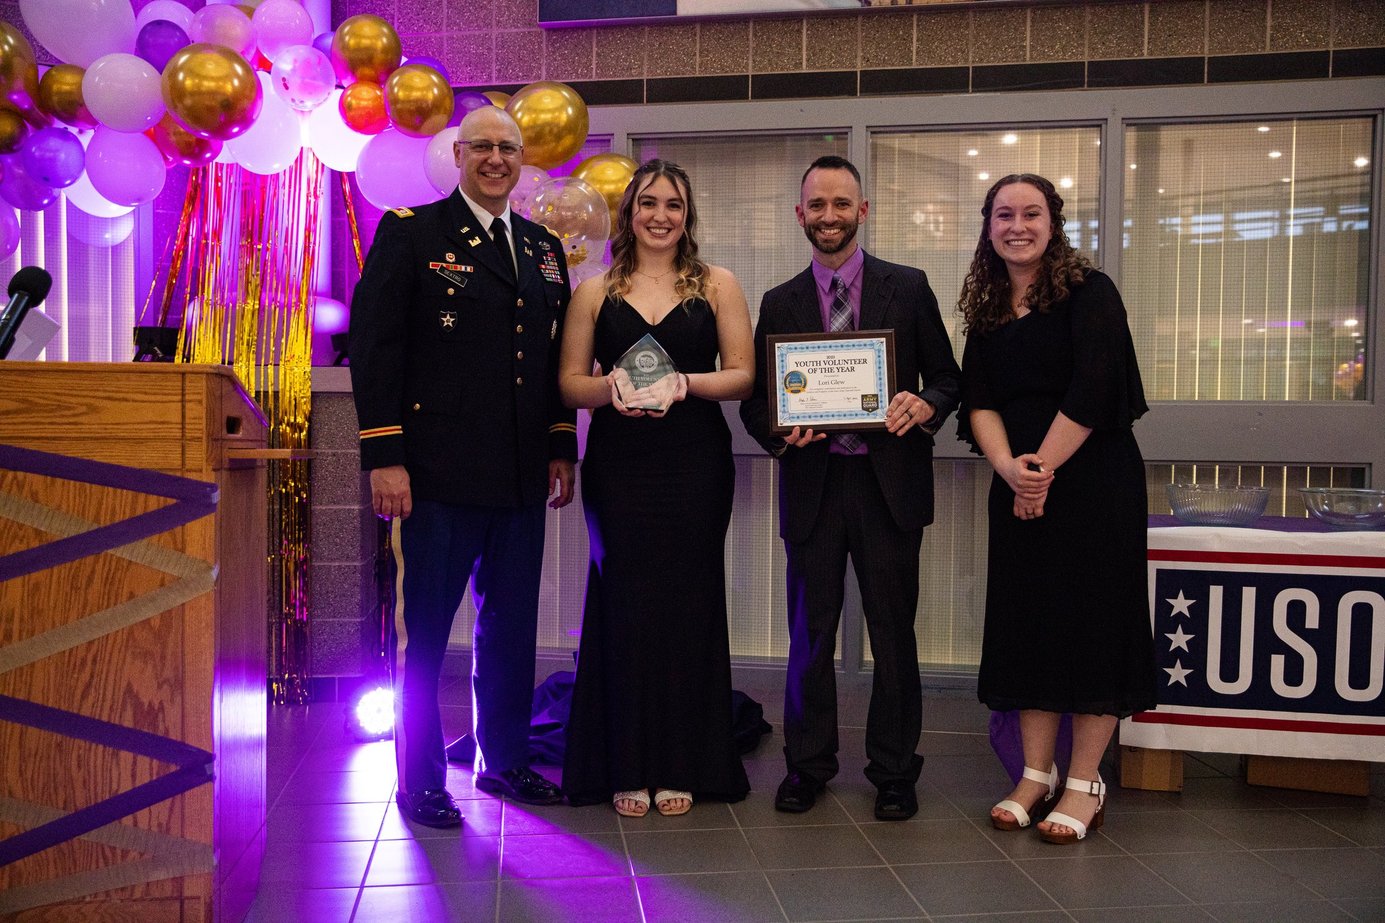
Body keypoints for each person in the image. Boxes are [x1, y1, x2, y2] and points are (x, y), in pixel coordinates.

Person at [348, 106, 576, 829]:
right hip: (434, 476)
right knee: (426, 633)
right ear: (457, 153)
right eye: (482, 146)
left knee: (509, 627)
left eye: (507, 147)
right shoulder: (412, 231)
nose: (495, 158)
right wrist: (385, 456)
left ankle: (502, 760)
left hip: (515, 475)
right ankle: (417, 779)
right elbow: (374, 348)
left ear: (522, 157)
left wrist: (559, 442)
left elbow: (550, 361)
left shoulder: (542, 248)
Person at [740, 155, 960, 821]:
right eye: (817, 205)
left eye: (842, 204)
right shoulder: (779, 300)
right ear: (799, 214)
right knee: (810, 632)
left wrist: (924, 406)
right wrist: (783, 437)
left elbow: (947, 378)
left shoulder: (908, 285)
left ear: (862, 211)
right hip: (813, 484)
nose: (828, 216)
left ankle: (894, 770)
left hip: (888, 484)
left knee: (894, 631)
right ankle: (807, 766)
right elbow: (757, 404)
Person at [956, 173, 1156, 845]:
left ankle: (1083, 782)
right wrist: (1011, 469)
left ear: (1053, 222)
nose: (1017, 225)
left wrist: (1038, 468)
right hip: (1017, 483)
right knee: (1029, 624)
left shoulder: (1087, 292)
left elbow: (1096, 387)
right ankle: (1032, 775)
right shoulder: (984, 306)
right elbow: (977, 400)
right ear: (988, 226)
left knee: (1092, 624)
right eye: (1004, 214)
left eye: (1031, 213)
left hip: (1092, 483)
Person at [558, 159, 754, 817]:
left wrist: (685, 383)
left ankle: (682, 761)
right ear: (629, 212)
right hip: (619, 468)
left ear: (686, 214)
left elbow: (744, 375)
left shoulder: (717, 284)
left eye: (672, 203)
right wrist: (609, 390)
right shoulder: (593, 289)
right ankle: (625, 760)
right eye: (648, 203)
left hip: (694, 463)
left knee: (688, 599)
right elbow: (569, 383)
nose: (660, 215)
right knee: (624, 601)